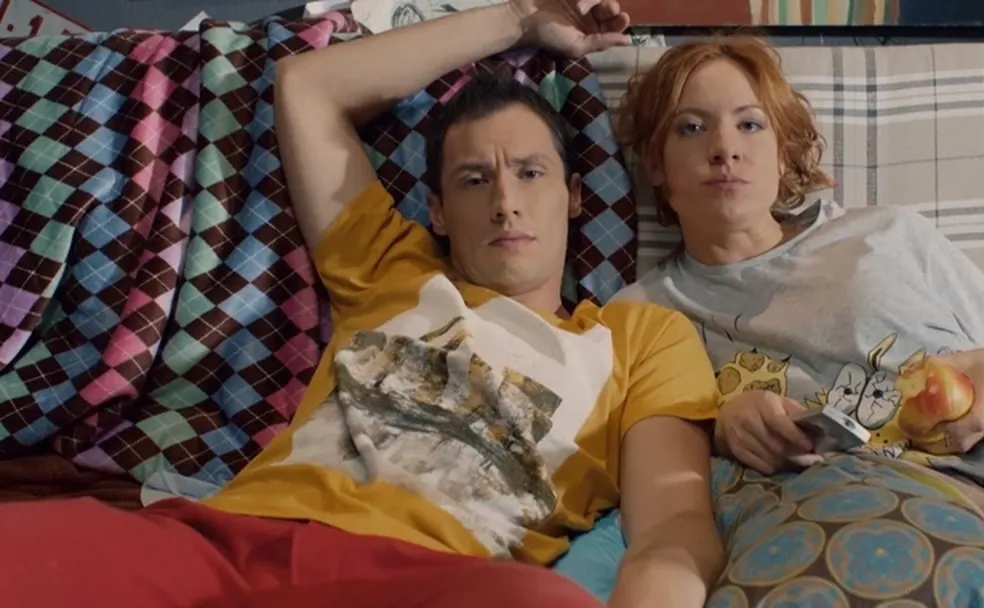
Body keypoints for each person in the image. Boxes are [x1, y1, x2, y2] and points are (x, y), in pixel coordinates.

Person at [0, 2, 727, 607]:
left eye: (530, 173)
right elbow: (308, 86)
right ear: (437, 211)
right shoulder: (392, 268)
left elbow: (672, 526)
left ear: (573, 196)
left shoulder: (637, 335)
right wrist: (519, 17)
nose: (506, 202)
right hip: (231, 542)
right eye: (475, 179)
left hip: (432, 576)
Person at [612, 35, 984, 608]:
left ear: (783, 151)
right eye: (691, 128)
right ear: (656, 164)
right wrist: (722, 427)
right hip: (895, 508)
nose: (724, 148)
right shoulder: (641, 315)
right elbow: (660, 470)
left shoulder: (886, 235)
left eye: (750, 124)